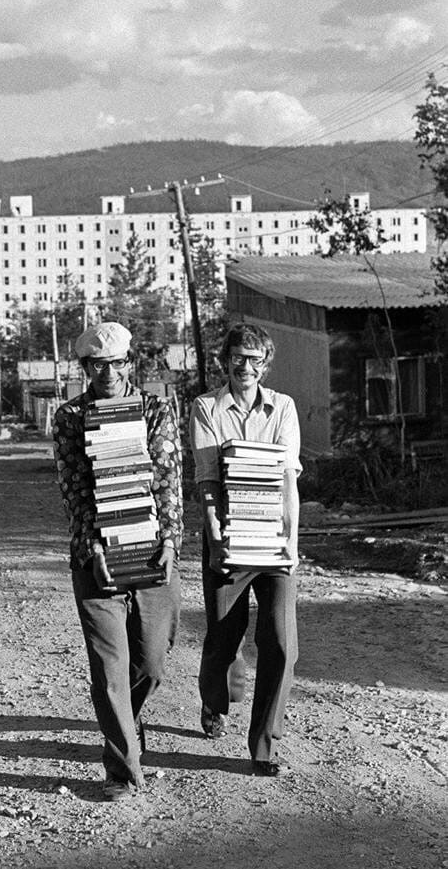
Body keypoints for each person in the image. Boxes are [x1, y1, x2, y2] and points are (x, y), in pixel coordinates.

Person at [53, 322, 182, 801]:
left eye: (116, 362)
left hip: (152, 549)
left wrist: (169, 542)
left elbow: (169, 478)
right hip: (97, 556)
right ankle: (121, 769)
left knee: (150, 662)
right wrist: (94, 548)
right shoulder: (70, 416)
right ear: (85, 368)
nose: (107, 372)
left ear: (131, 362)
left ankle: (129, 721)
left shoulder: (155, 408)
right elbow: (75, 490)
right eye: (96, 364)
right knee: (109, 668)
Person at [189, 322, 301, 778]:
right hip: (228, 539)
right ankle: (214, 701)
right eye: (238, 358)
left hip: (273, 542)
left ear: (266, 363)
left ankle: (263, 747)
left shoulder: (284, 408)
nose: (246, 367)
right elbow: (208, 479)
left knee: (279, 641)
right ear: (226, 361)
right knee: (222, 638)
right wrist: (217, 538)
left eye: (256, 359)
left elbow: (286, 479)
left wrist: (291, 544)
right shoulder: (206, 407)